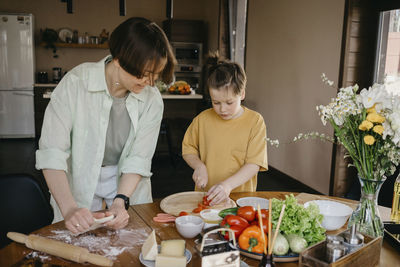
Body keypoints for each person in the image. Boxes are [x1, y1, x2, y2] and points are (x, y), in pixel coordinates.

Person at [36, 17, 176, 234]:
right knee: (78, 239)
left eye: (156, 76)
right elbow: (52, 153)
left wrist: (121, 201)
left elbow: (139, 157)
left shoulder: (152, 98)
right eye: (144, 74)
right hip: (78, 177)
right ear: (119, 60)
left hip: (125, 180)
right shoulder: (75, 83)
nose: (150, 82)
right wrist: (70, 208)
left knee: (131, 242)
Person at [182, 55, 268, 206]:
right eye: (216, 102)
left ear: (242, 94)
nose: (222, 109)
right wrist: (199, 166)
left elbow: (254, 164)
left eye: (229, 102)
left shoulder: (255, 122)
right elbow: (188, 149)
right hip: (206, 197)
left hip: (241, 199)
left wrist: (227, 186)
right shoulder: (202, 120)